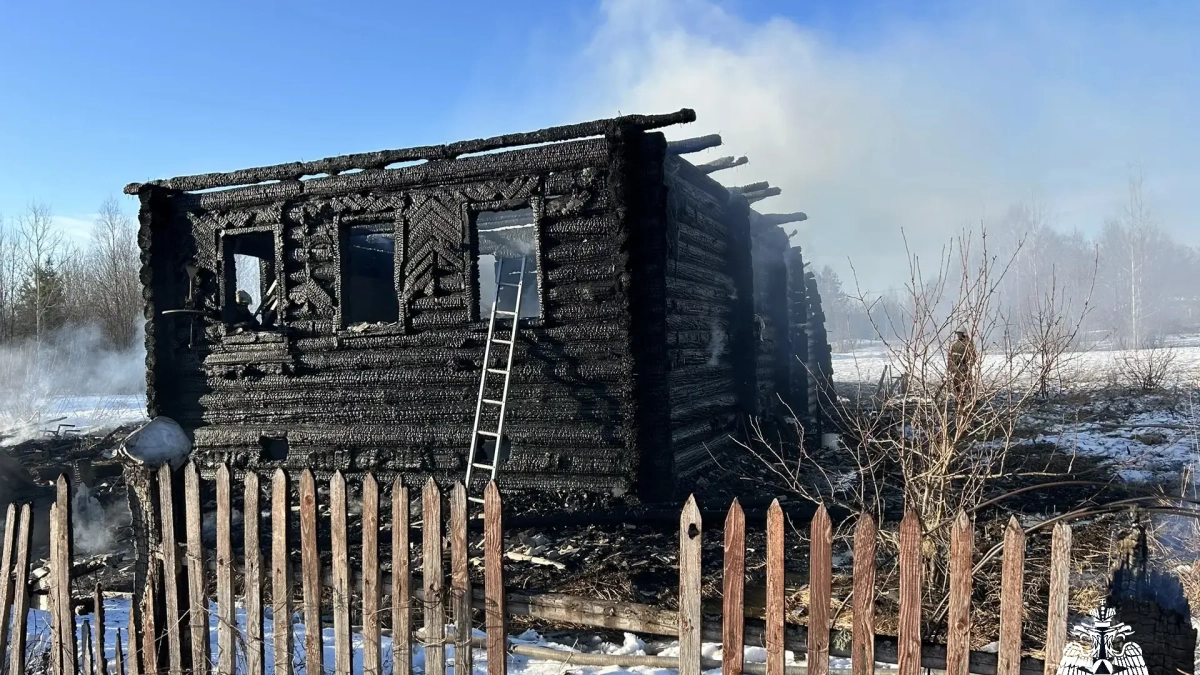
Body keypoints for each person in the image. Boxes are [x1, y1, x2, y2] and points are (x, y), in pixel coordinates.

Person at [947, 329, 977, 400]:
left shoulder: (968, 344)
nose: (958, 335)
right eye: (957, 334)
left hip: (964, 367)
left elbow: (973, 356)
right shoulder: (955, 345)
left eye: (959, 334)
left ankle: (969, 399)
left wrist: (968, 365)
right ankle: (959, 399)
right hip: (956, 367)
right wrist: (950, 367)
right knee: (956, 385)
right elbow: (950, 356)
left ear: (963, 334)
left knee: (967, 384)